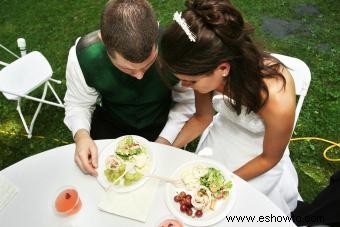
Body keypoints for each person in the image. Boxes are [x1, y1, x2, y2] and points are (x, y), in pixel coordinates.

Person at [160, 0, 299, 215]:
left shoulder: (275, 98)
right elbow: (202, 118)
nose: (184, 86)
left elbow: (270, 158)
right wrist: (168, 148)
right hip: (222, 137)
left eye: (190, 81)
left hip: (259, 156)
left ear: (223, 68)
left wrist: (223, 182)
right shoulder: (202, 66)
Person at [64, 0, 194, 177]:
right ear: (104, 40)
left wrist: (165, 140)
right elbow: (78, 103)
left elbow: (187, 102)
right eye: (127, 68)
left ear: (155, 30)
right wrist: (81, 136)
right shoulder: (83, 56)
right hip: (111, 127)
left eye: (147, 65)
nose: (139, 76)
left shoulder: (175, 50)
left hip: (162, 125)